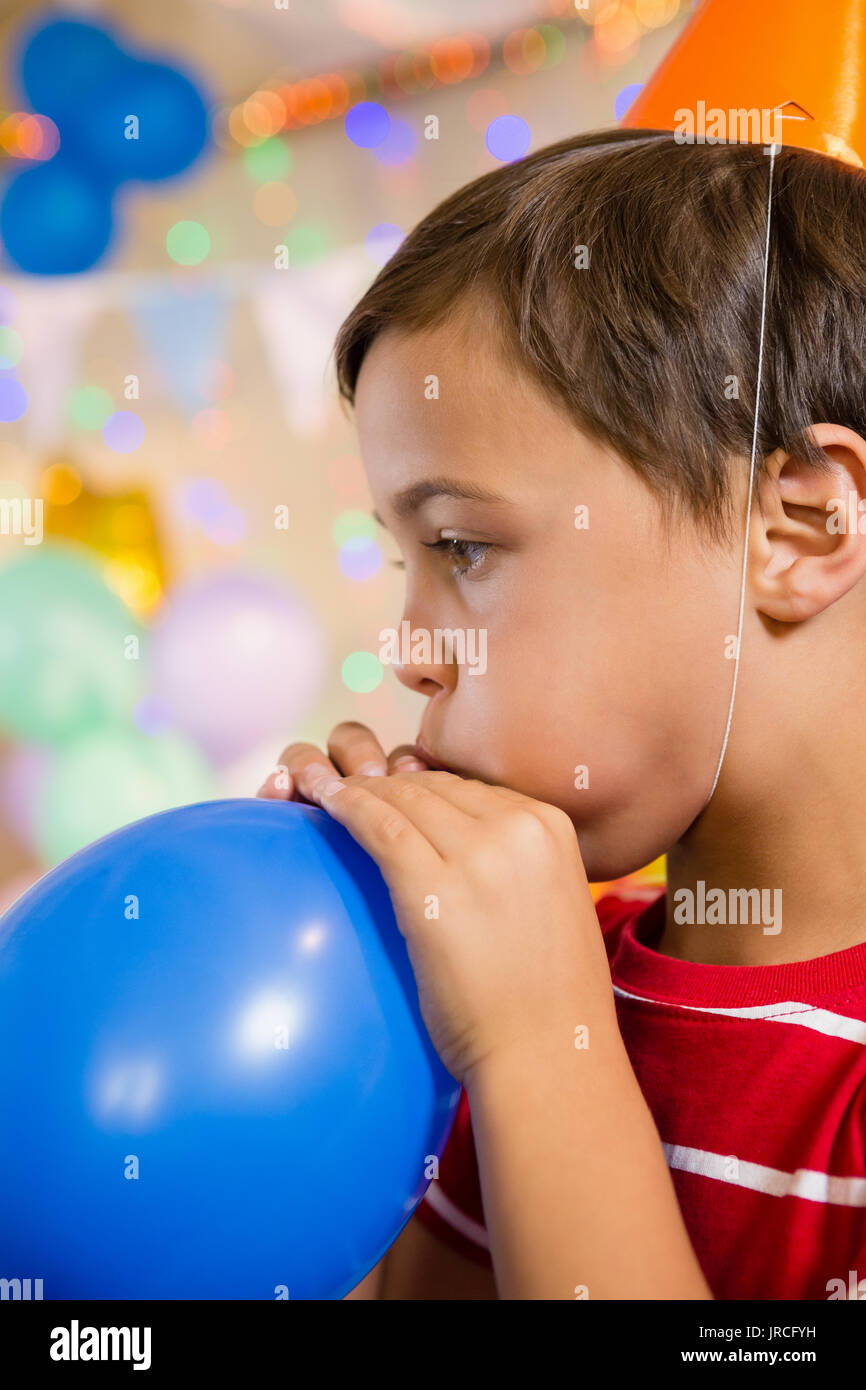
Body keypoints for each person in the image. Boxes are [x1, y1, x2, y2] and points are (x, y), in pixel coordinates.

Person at [258, 129, 866, 1300]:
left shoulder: (531, 1006)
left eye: (463, 545)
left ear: (799, 526)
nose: (411, 651)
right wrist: (361, 1017)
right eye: (405, 558)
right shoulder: (527, 968)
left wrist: (541, 1052)